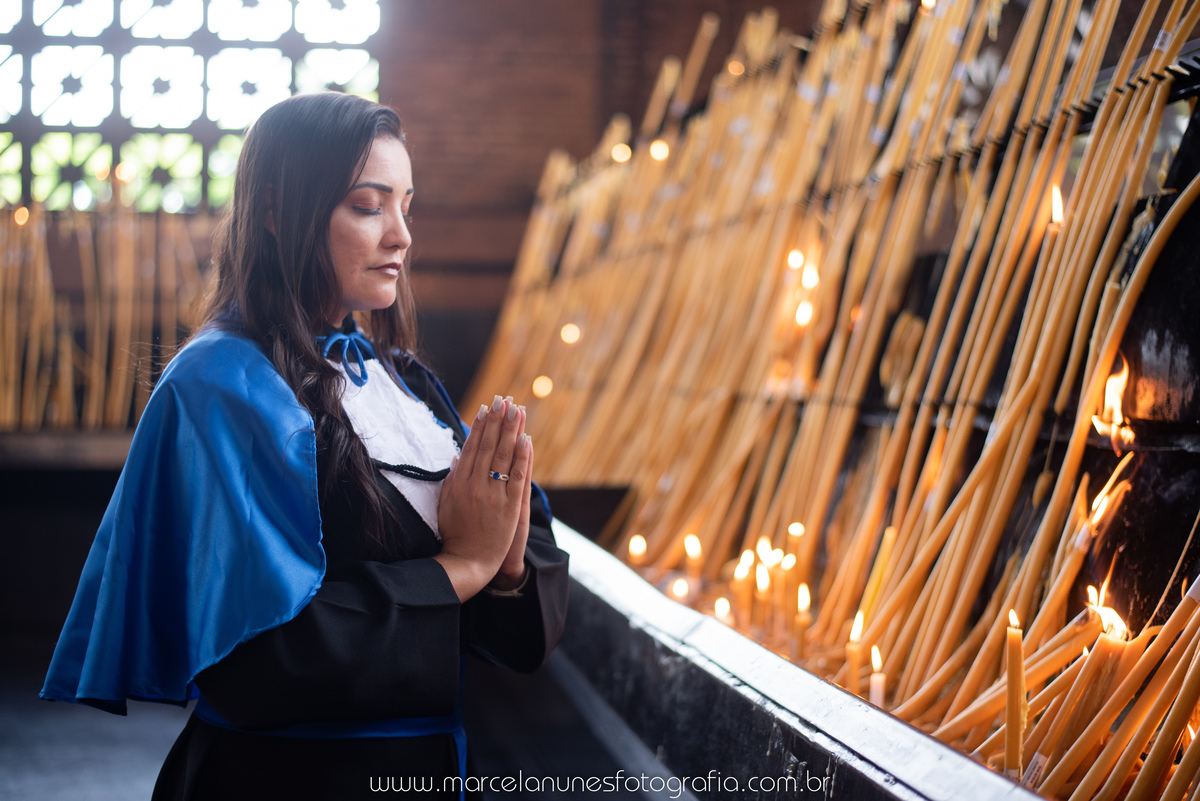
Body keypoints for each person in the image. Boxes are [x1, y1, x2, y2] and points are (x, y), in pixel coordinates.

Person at [40, 92, 569, 800]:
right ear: (271, 211)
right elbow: (264, 649)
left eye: (407, 205)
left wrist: (504, 567)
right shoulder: (221, 386)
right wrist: (463, 566)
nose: (402, 236)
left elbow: (516, 607)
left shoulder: (396, 376)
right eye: (367, 205)